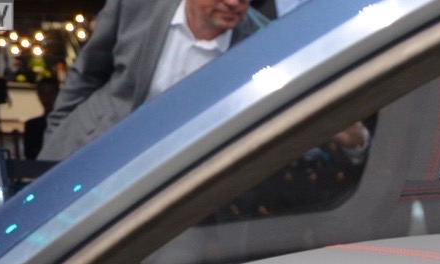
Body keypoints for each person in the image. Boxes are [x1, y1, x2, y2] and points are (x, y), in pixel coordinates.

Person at [40, 0, 268, 161]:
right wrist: (56, 133)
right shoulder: (138, 6)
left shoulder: (260, 40)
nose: (233, 3)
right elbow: (87, 73)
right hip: (93, 147)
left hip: (171, 174)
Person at [23, 77, 62, 161]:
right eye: (44, 93)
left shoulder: (32, 125)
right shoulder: (32, 125)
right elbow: (30, 154)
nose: (47, 98)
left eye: (51, 93)